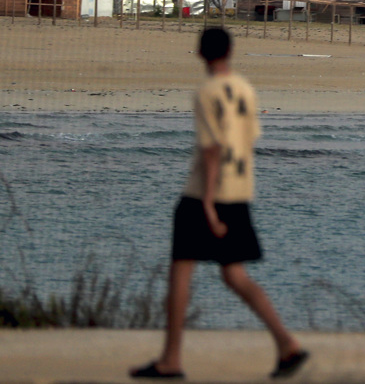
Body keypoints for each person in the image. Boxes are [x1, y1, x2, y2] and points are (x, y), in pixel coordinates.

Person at [131, 27, 308, 380]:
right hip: (240, 191)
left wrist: (209, 206)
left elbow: (212, 149)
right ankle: (287, 345)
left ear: (200, 53)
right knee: (234, 274)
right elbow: (248, 138)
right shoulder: (245, 88)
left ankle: (171, 360)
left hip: (205, 194)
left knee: (181, 270)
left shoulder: (207, 92)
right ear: (231, 51)